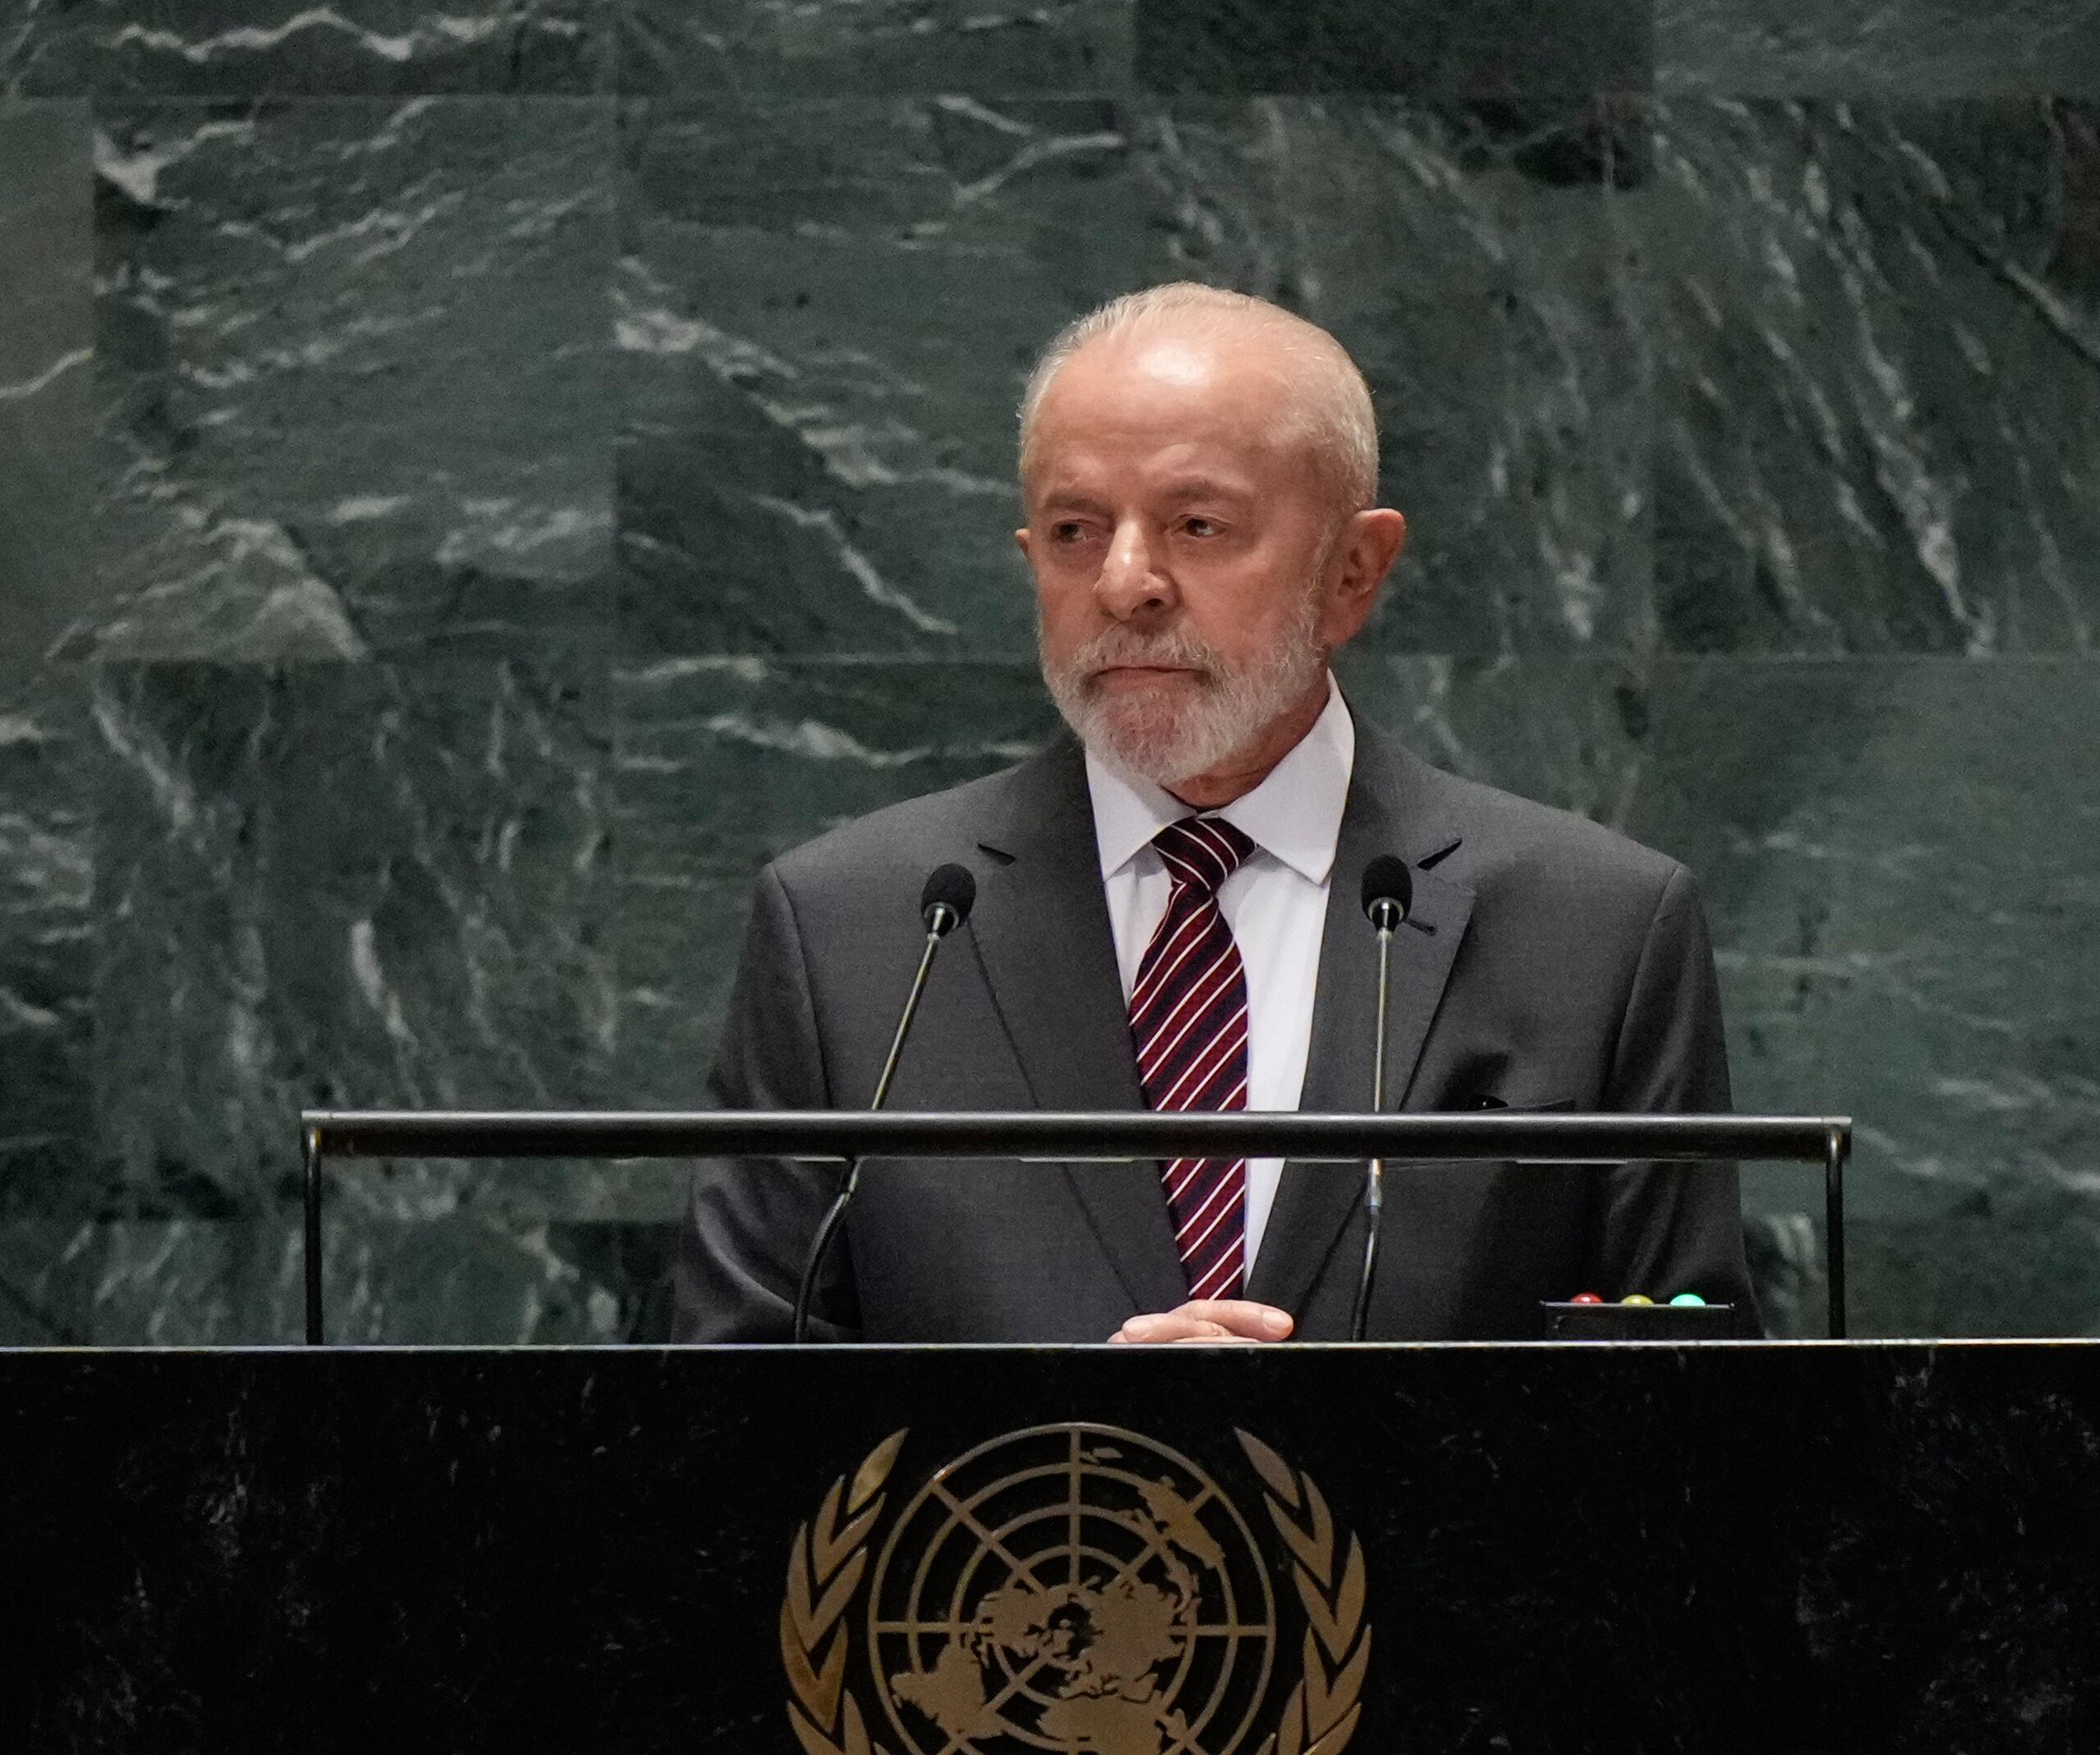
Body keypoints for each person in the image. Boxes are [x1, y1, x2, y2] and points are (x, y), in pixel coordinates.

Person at [672, 284, 1755, 1344]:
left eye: (1196, 524)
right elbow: (732, 1427)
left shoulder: (1595, 929)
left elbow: (1691, 1434)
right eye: (1073, 531)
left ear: (1352, 570)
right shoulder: (854, 931)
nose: (1125, 583)